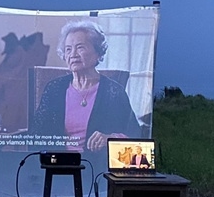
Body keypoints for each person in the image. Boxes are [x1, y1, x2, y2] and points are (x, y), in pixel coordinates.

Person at [32, 20, 141, 154]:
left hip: (95, 164)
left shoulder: (113, 92)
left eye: (80, 47)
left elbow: (135, 137)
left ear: (98, 53)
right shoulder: (53, 89)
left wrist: (110, 139)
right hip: (56, 162)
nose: (73, 54)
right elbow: (36, 134)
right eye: (68, 49)